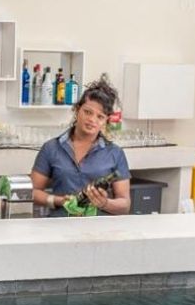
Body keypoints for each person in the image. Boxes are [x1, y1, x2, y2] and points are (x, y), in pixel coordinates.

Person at [30, 74, 131, 216]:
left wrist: (104, 203)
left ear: (106, 121)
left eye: (100, 117)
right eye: (88, 112)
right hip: (60, 225)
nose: (92, 120)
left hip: (98, 228)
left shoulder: (115, 153)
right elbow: (32, 192)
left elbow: (125, 205)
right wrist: (59, 201)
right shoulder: (51, 148)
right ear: (77, 110)